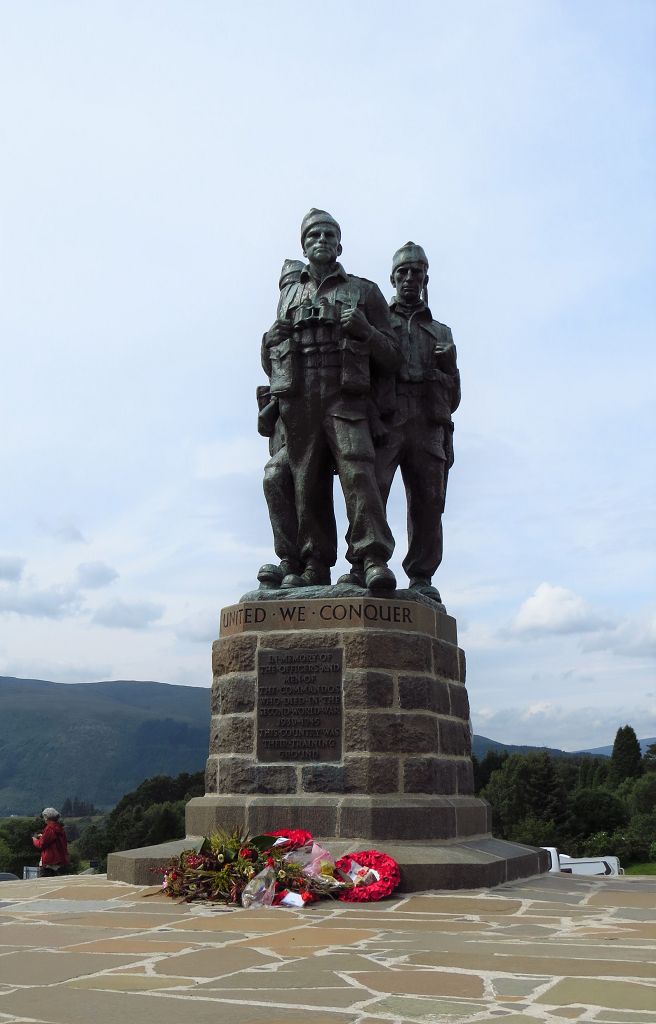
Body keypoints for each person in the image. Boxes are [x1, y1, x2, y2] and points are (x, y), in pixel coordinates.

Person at [261, 209, 400, 592]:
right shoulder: (289, 294)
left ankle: (371, 558)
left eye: (328, 234)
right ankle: (313, 564)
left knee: (358, 470)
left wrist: (366, 331)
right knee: (307, 482)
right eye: (313, 235)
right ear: (303, 245)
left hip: (344, 394)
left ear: (340, 244)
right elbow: (271, 360)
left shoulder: (364, 290)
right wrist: (272, 337)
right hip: (300, 396)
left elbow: (393, 355)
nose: (321, 240)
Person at [362, 242, 460, 602]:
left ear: (425, 278)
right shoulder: (378, 321)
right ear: (392, 278)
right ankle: (366, 564)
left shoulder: (442, 331)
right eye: (402, 272)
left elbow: (455, 398)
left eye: (415, 272)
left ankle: (421, 575)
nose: (408, 278)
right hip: (389, 416)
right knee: (372, 491)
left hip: (428, 419)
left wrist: (450, 366)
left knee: (429, 501)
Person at [32, 807, 70, 877]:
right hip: (59, 860)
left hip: (49, 862)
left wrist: (35, 840)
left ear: (46, 817)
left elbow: (41, 844)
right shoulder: (59, 828)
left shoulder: (49, 829)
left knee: (45, 882)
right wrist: (42, 836)